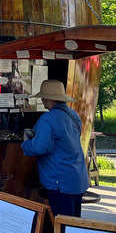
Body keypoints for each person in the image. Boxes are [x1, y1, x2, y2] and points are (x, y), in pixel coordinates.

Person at [21, 79, 88, 217]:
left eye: (43, 98)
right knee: (72, 224)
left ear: (48, 99)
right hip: (77, 178)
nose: (43, 101)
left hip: (60, 182)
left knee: (62, 225)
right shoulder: (73, 115)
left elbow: (39, 147)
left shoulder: (48, 119)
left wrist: (26, 142)